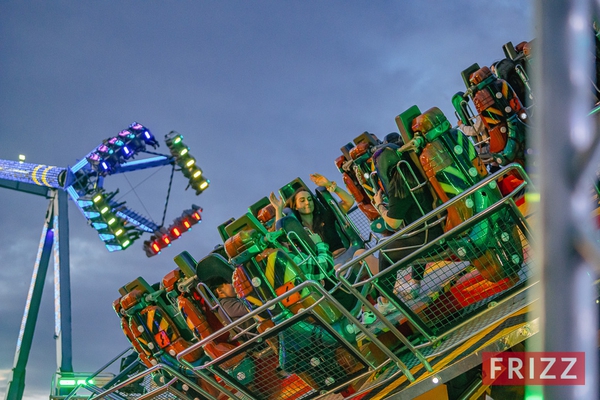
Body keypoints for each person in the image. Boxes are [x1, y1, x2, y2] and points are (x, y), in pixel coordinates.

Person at [372, 144, 444, 300]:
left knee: (385, 253)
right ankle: (415, 283)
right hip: (437, 227)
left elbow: (393, 223)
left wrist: (379, 205)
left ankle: (385, 301)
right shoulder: (414, 172)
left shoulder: (398, 184)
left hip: (427, 237)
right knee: (410, 237)